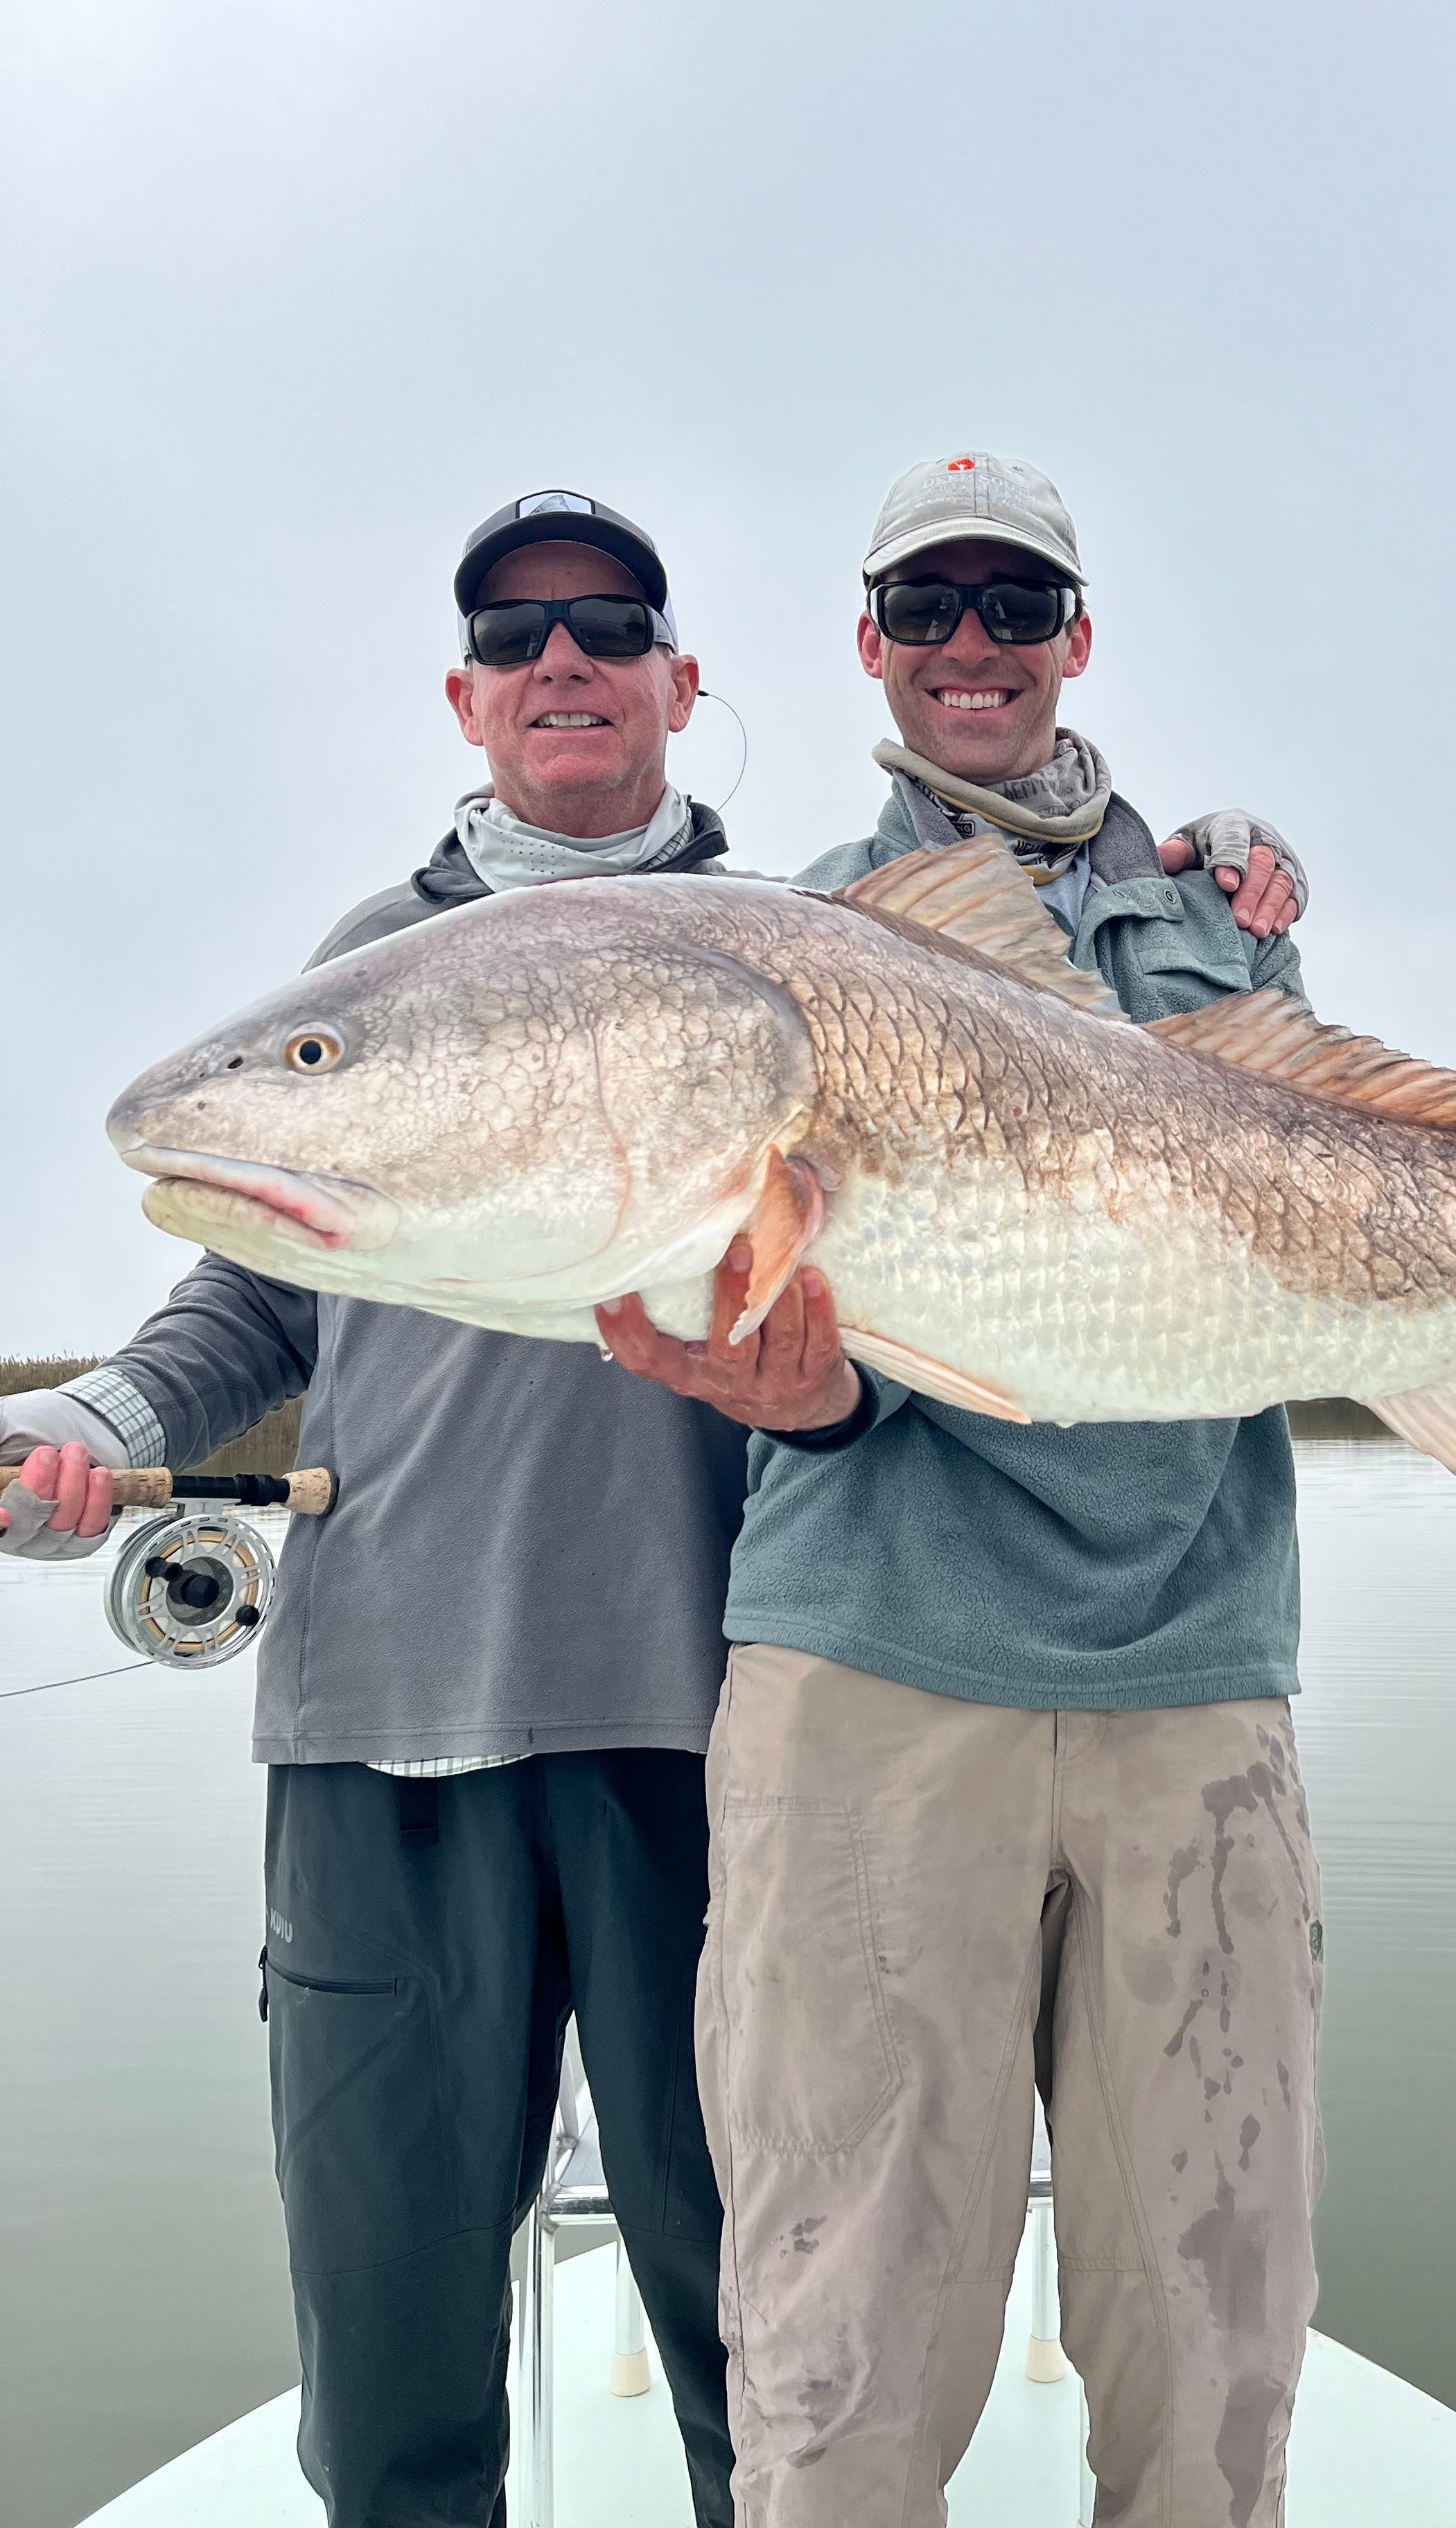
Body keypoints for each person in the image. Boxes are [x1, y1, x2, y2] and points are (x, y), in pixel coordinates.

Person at [0, 485, 1306, 2528]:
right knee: (388, 2344)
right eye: (513, 638)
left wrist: (1189, 863)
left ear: (687, 683)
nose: (563, 663)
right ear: (462, 696)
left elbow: (1005, 1126)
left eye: (609, 627)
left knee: (753, 2330)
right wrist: (97, 1413)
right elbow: (247, 1291)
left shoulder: (800, 943)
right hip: (381, 1719)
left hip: (688, 1724)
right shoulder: (373, 970)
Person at [602, 450, 1456, 2528]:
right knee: (841, 2348)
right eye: (928, 608)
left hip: (1199, 1681)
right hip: (875, 1684)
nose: (972, 646)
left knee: (1216, 2341)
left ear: (1078, 638)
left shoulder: (1222, 926)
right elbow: (769, 1326)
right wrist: (792, 1403)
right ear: (868, 645)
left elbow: (1355, 1206)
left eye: (1014, 605)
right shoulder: (794, 944)